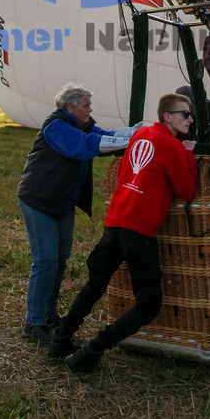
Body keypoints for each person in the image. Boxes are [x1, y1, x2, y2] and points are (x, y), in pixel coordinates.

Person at [48, 93, 198, 371]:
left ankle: (61, 339)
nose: (190, 119)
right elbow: (187, 190)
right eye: (184, 114)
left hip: (116, 220)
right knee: (149, 304)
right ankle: (93, 350)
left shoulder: (140, 135)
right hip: (139, 230)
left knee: (96, 283)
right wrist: (188, 153)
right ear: (168, 116)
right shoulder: (173, 146)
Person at [16, 83, 123, 345]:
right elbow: (83, 147)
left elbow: (105, 135)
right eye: (86, 106)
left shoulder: (82, 124)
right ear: (70, 107)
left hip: (62, 202)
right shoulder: (57, 127)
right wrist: (118, 140)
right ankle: (34, 323)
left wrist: (132, 136)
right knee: (46, 261)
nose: (90, 110)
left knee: (60, 259)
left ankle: (49, 314)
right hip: (38, 200)